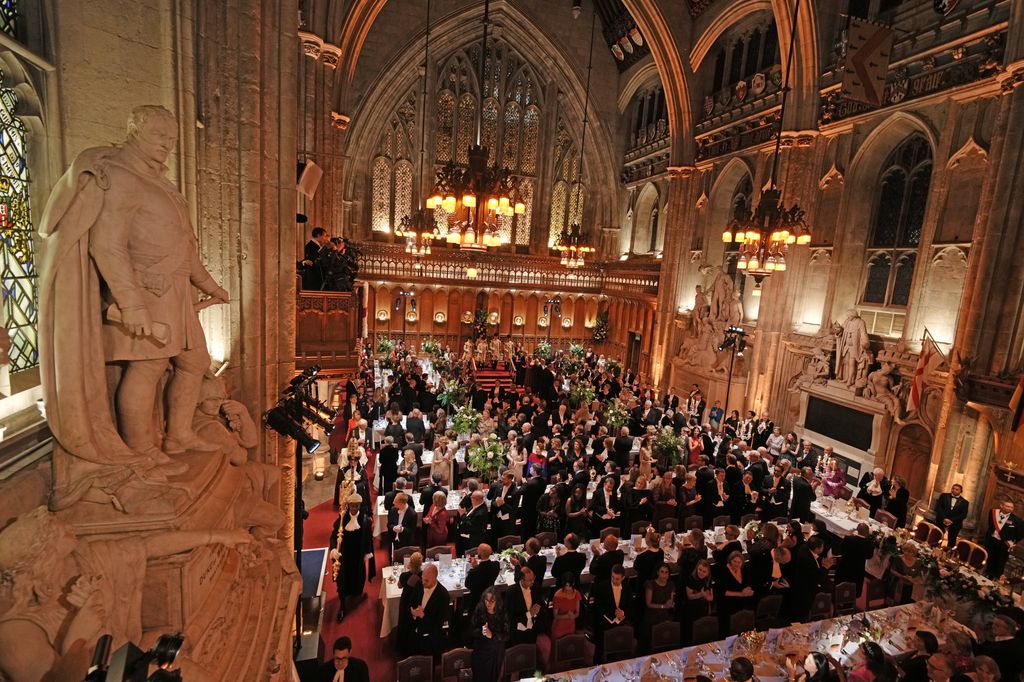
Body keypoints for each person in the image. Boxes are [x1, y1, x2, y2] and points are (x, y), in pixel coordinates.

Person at [329, 493, 373, 623]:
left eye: (356, 506)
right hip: (344, 556)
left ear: (360, 506)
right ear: (348, 506)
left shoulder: (365, 520)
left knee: (357, 577)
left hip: (358, 556)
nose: (354, 509)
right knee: (342, 580)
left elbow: (368, 538)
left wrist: (367, 552)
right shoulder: (342, 519)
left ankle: (355, 592)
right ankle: (342, 606)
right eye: (352, 506)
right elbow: (333, 537)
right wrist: (333, 550)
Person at [405, 564, 450, 656]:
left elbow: (438, 623)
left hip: (430, 639)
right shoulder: (419, 584)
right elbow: (411, 602)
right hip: (414, 632)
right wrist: (413, 612)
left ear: (435, 578)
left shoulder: (443, 595)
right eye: (422, 578)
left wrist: (423, 616)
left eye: (426, 580)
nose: (423, 582)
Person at [471, 587, 509, 682]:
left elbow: (507, 635)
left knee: (493, 677)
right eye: (486, 600)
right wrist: (481, 631)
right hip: (481, 650)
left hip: (495, 652)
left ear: (497, 601)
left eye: (492, 601)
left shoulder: (502, 612)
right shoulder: (480, 610)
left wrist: (492, 635)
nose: (488, 604)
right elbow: (471, 631)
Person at [977, 613, 1023, 681]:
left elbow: (982, 658)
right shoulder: (1001, 640)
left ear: (1009, 630)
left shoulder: (1010, 647)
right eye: (993, 623)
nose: (993, 626)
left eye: (997, 625)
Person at [505, 564, 543, 645]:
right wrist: (530, 614)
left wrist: (537, 613)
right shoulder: (511, 592)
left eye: (533, 578)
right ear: (522, 580)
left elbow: (540, 605)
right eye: (529, 580)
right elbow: (509, 618)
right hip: (518, 633)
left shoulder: (535, 587)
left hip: (532, 629)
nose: (532, 581)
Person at [834, 522, 874, 596]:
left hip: (844, 566)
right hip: (858, 569)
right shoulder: (869, 544)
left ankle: (836, 599)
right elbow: (869, 556)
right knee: (853, 589)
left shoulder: (849, 539)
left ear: (857, 530)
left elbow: (841, 549)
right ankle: (849, 602)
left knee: (840, 585)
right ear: (867, 533)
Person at [984, 500, 1020, 579]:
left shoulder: (1017, 520)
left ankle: (995, 577)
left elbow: (1020, 533)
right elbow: (990, 525)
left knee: (1000, 561)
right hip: (992, 539)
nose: (1010, 508)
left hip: (1004, 543)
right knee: (989, 557)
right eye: (1007, 506)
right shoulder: (993, 512)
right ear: (1001, 505)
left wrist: (1013, 541)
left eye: (1011, 507)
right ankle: (986, 573)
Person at [550, 573, 583, 640]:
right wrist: (567, 616)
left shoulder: (577, 594)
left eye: (569, 586)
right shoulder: (558, 596)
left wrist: (573, 616)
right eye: (566, 586)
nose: (568, 588)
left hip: (570, 626)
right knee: (558, 648)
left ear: (573, 583)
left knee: (569, 647)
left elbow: (577, 613)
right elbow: (555, 615)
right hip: (559, 627)